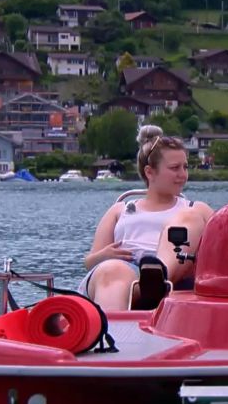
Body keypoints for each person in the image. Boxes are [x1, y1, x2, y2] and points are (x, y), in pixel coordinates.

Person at [79, 125, 213, 311]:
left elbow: (221, 254)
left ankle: (160, 276)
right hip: (126, 271)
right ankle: (113, 331)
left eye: (185, 167)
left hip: (174, 273)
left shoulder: (196, 209)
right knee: (112, 271)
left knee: (190, 218)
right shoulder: (120, 210)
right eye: (175, 168)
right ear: (150, 172)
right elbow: (89, 262)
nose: (183, 175)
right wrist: (103, 256)